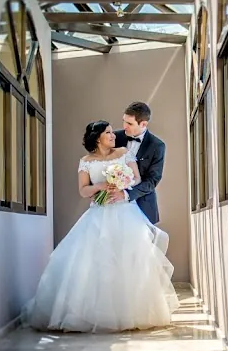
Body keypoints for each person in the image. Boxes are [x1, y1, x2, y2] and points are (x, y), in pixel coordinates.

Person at [23, 121, 179, 333]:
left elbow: (137, 178)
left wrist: (122, 185)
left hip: (126, 213)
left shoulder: (124, 153)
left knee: (130, 261)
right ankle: (91, 314)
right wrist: (100, 187)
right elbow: (83, 190)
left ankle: (132, 312)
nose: (114, 135)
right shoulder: (86, 161)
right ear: (97, 138)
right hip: (98, 214)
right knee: (94, 262)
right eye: (108, 133)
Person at [111, 101, 166, 224]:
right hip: (113, 206)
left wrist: (126, 195)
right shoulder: (114, 138)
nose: (125, 126)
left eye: (129, 123)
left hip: (142, 206)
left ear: (143, 124)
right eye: (124, 121)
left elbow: (153, 180)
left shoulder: (157, 146)